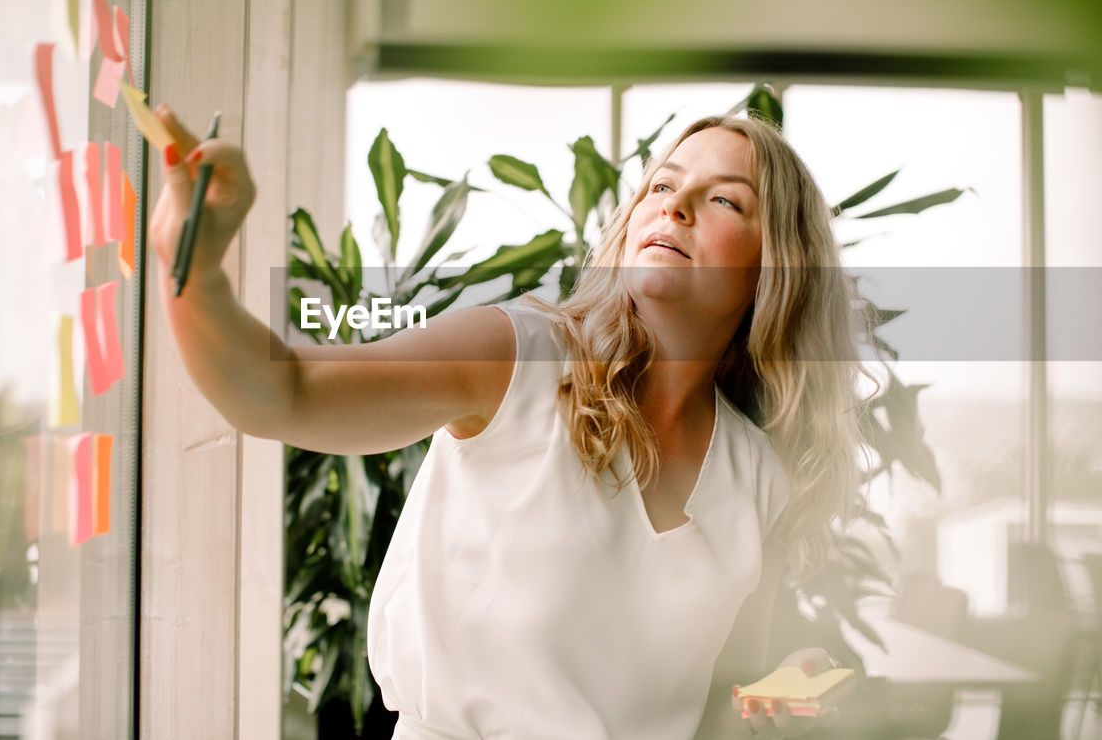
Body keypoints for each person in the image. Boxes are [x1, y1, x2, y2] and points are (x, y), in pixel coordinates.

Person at [148, 106, 869, 739]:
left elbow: (721, 704)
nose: (674, 205)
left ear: (775, 268)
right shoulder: (517, 356)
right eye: (661, 184)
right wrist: (197, 272)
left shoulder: (756, 479)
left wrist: (774, 695)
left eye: (722, 200)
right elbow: (285, 392)